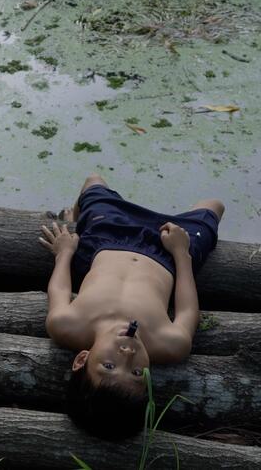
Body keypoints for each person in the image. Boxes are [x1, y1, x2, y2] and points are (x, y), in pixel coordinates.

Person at [38, 173, 223, 440]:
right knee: (214, 205)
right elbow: (187, 311)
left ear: (82, 359)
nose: (127, 353)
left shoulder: (65, 325)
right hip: (166, 254)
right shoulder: (170, 344)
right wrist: (182, 254)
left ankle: (75, 218)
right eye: (137, 373)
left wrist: (64, 253)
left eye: (110, 366)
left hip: (108, 237)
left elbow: (60, 290)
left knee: (93, 182)